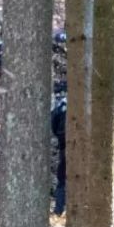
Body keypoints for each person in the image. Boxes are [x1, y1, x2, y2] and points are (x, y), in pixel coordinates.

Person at [50, 81, 67, 215]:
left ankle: (59, 209)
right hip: (77, 144)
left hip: (64, 144)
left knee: (62, 178)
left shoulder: (60, 105)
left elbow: (53, 124)